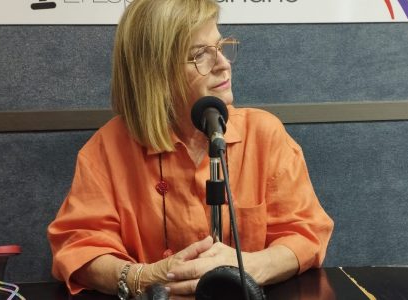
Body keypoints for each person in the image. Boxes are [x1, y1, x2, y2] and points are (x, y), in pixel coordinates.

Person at [47, 0, 334, 298]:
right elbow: (77, 248)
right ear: (154, 75)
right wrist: (144, 278)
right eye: (200, 55)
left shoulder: (264, 134)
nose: (223, 63)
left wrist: (247, 266)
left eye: (221, 46)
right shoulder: (107, 149)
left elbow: (306, 234)